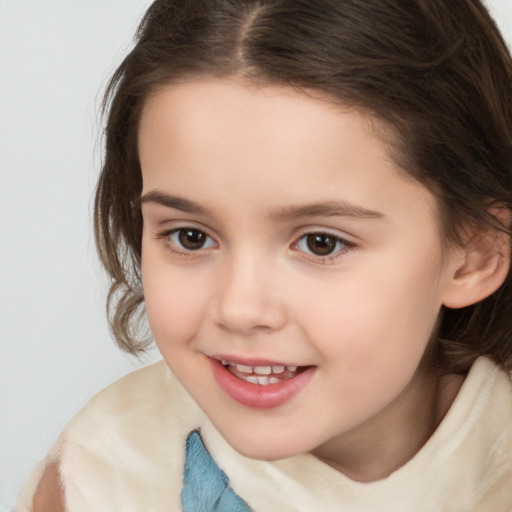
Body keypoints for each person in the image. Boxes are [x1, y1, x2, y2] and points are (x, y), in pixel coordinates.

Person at [16, 0, 512, 510]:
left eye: (321, 243)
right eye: (190, 236)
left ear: (474, 253)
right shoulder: (99, 481)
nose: (240, 308)